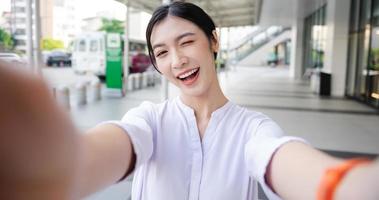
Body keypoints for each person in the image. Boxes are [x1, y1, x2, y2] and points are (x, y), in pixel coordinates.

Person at [0, 2, 378, 200]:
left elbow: (280, 159)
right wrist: (54, 168)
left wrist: (346, 187)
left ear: (213, 41)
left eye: (186, 42)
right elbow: (114, 146)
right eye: (161, 52)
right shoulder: (149, 119)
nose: (176, 60)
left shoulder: (253, 129)